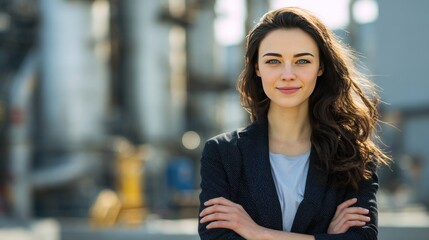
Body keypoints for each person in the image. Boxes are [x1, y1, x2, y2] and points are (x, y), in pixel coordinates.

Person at [198, 6, 391, 240]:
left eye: (302, 61)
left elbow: (363, 238)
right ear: (257, 67)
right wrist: (323, 236)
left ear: (320, 66)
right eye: (273, 61)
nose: (287, 74)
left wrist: (256, 232)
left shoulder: (352, 154)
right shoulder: (223, 153)